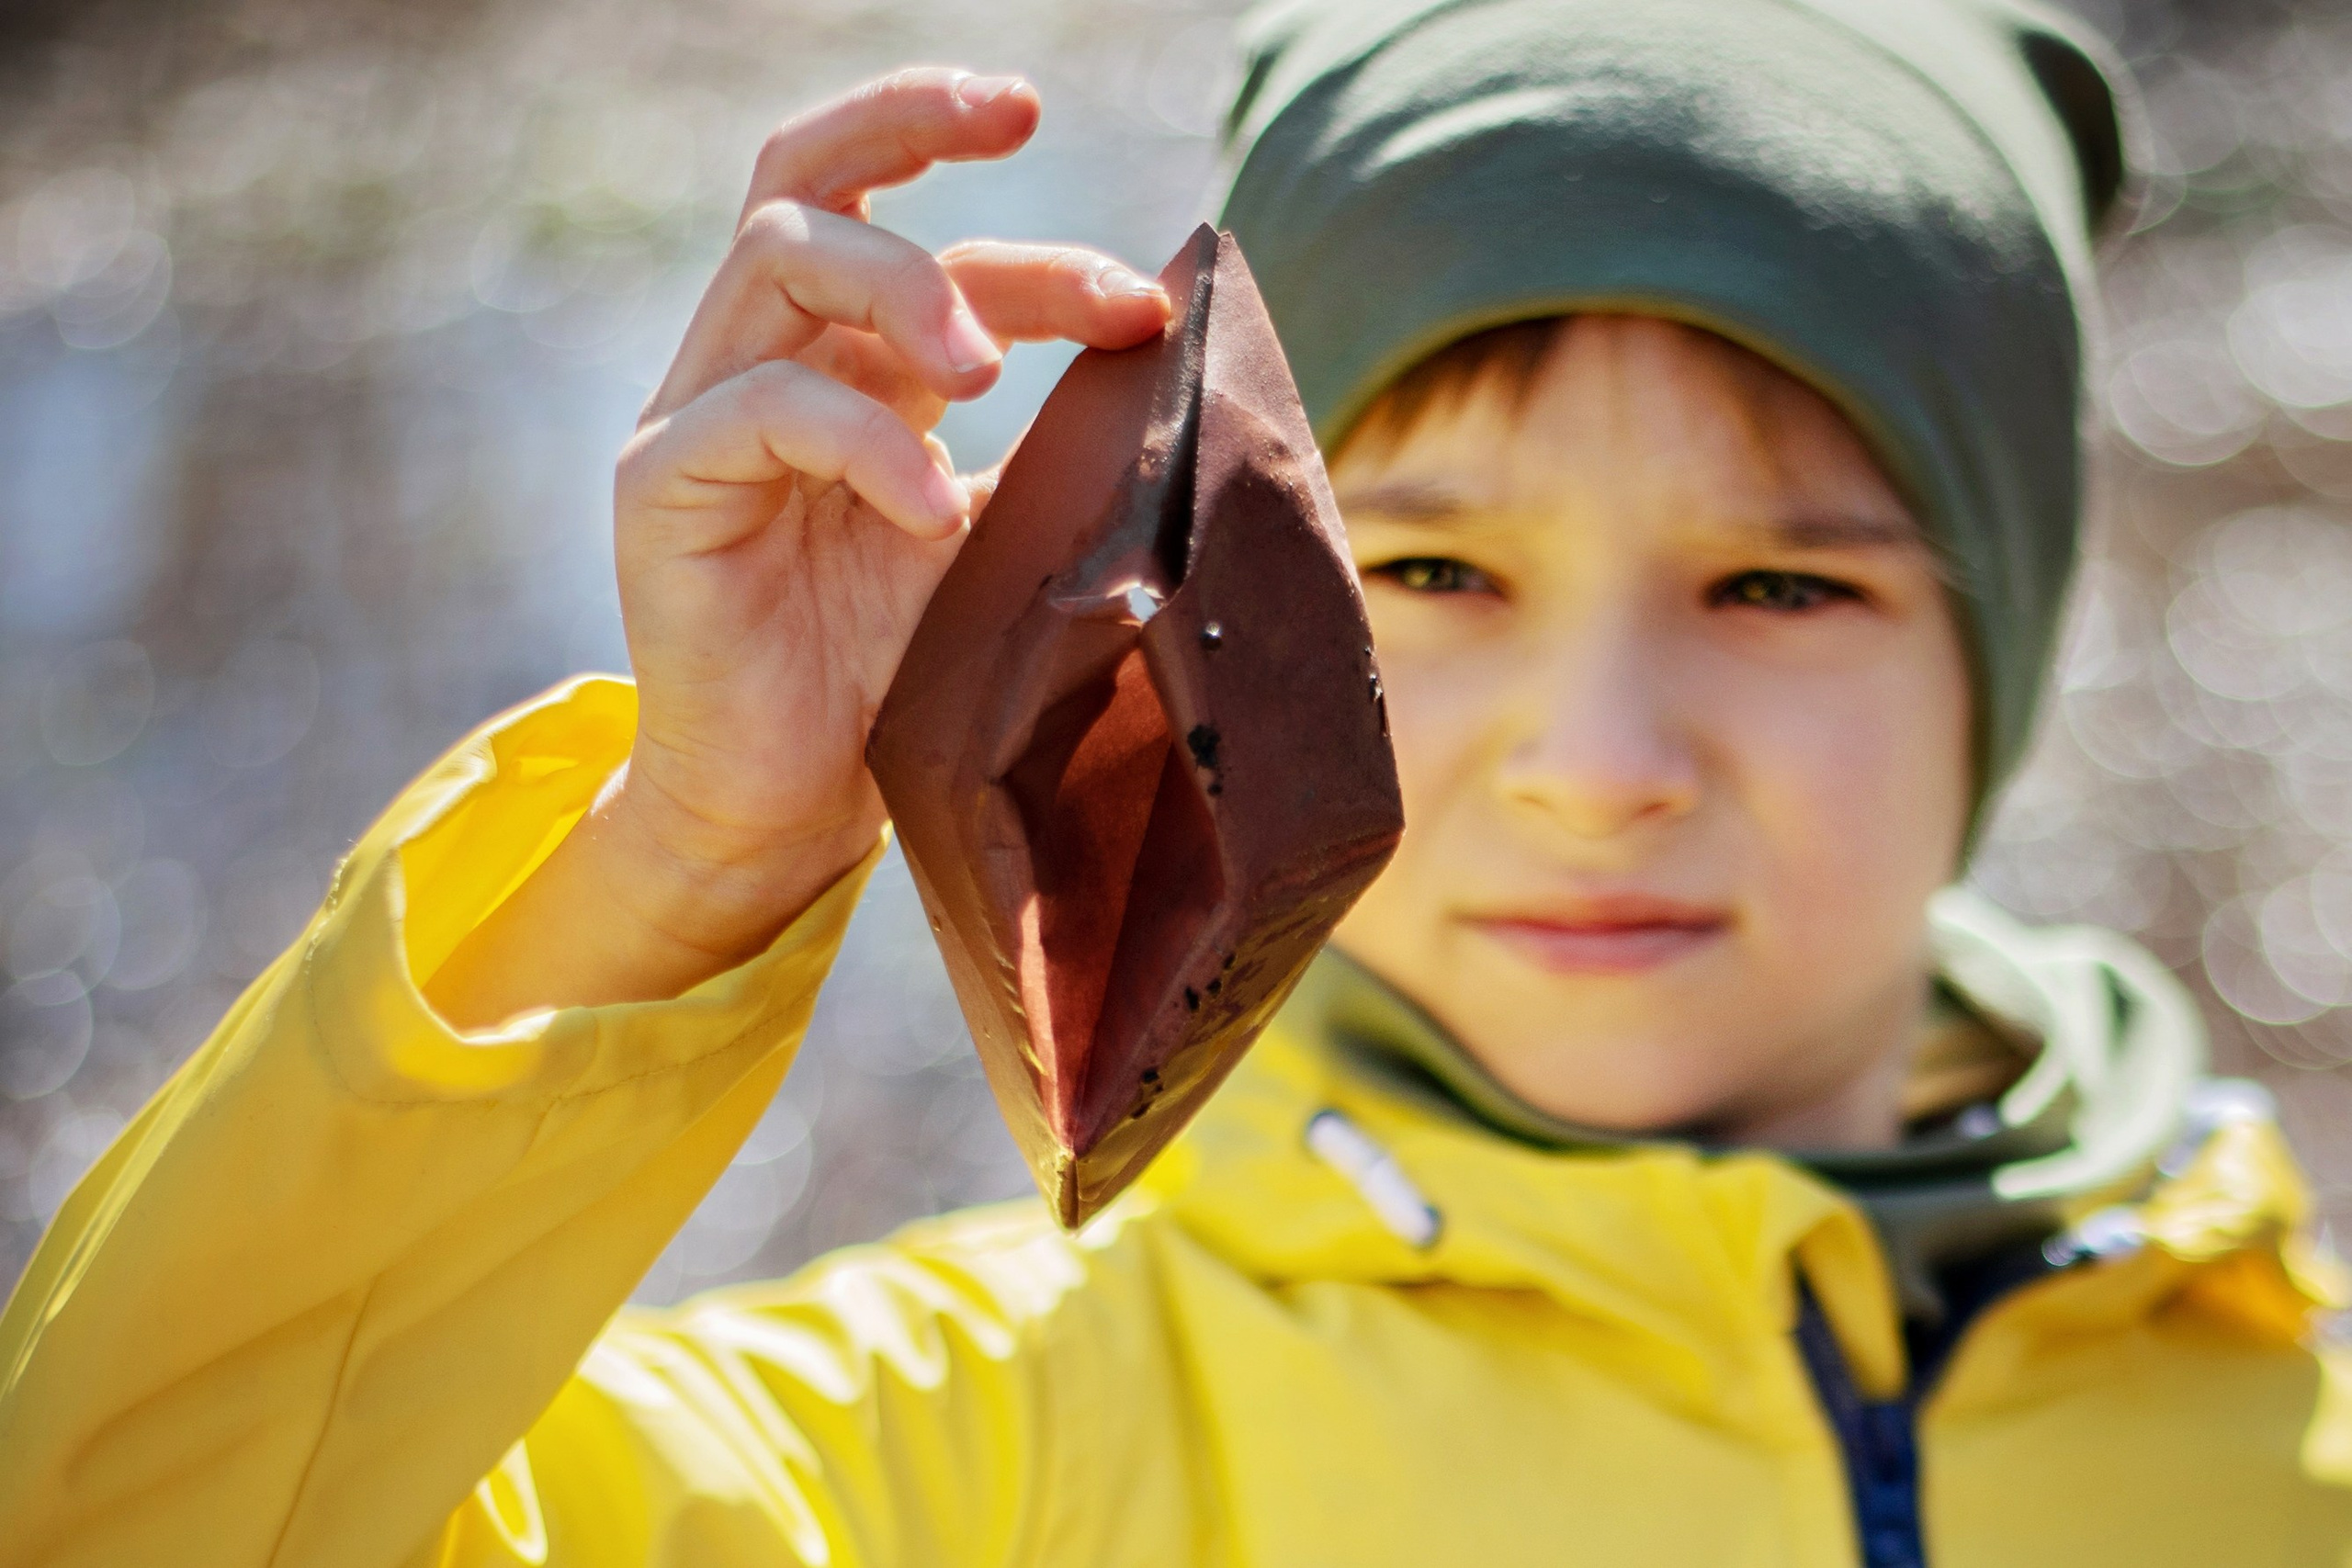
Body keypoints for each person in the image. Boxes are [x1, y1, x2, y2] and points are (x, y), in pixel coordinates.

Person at [4, 0, 2350, 1562]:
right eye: (1429, 569)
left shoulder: (2282, 1439)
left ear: (1998, 644)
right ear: (1220, 596)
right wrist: (682, 865)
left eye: (1775, 587)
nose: (1602, 764)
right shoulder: (995, 1438)